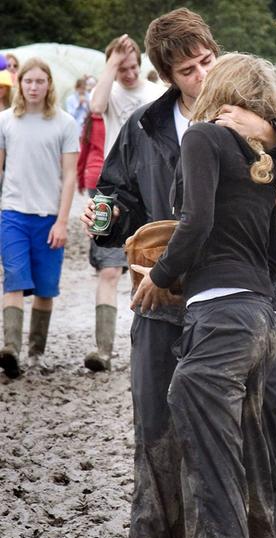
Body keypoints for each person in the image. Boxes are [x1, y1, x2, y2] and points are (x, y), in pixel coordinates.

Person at [80, 8, 276, 538]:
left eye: (206, 61)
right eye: (186, 69)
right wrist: (105, 219)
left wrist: (269, 133)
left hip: (239, 304)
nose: (200, 74)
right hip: (162, 307)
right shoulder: (144, 126)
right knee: (157, 441)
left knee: (259, 440)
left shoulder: (256, 114)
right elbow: (116, 198)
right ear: (168, 74)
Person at [130, 51, 276, 538]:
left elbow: (194, 223)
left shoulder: (201, 137)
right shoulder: (260, 153)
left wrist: (161, 275)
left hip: (220, 313)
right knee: (250, 452)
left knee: (208, 447)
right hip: (259, 318)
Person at [85, 35, 163, 372]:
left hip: (149, 189)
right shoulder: (111, 91)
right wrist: (112, 65)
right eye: (123, 67)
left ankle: (144, 343)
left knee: (143, 267)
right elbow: (95, 106)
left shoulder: (155, 93)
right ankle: (103, 349)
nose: (129, 73)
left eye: (134, 67)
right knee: (108, 269)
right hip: (113, 187)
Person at [0, 58, 78, 378]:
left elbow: (70, 176)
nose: (33, 87)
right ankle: (10, 349)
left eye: (39, 81)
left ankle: (36, 352)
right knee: (14, 280)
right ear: (19, 85)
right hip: (13, 213)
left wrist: (62, 221)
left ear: (49, 85)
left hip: (48, 217)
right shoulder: (5, 121)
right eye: (28, 81)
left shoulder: (64, 123)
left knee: (45, 290)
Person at [76, 113, 105, 196]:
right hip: (112, 176)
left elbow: (83, 155)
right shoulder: (118, 120)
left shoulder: (91, 121)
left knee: (95, 208)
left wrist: (81, 181)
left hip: (93, 175)